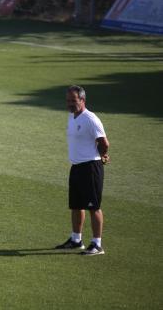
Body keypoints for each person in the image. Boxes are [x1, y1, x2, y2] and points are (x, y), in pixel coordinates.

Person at [55, 85, 110, 256]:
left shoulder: (90, 119)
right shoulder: (72, 116)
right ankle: (76, 239)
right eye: (68, 101)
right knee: (76, 206)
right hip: (77, 167)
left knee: (94, 207)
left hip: (91, 167)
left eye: (73, 100)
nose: (70, 104)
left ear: (82, 100)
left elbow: (103, 142)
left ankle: (97, 244)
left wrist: (103, 156)